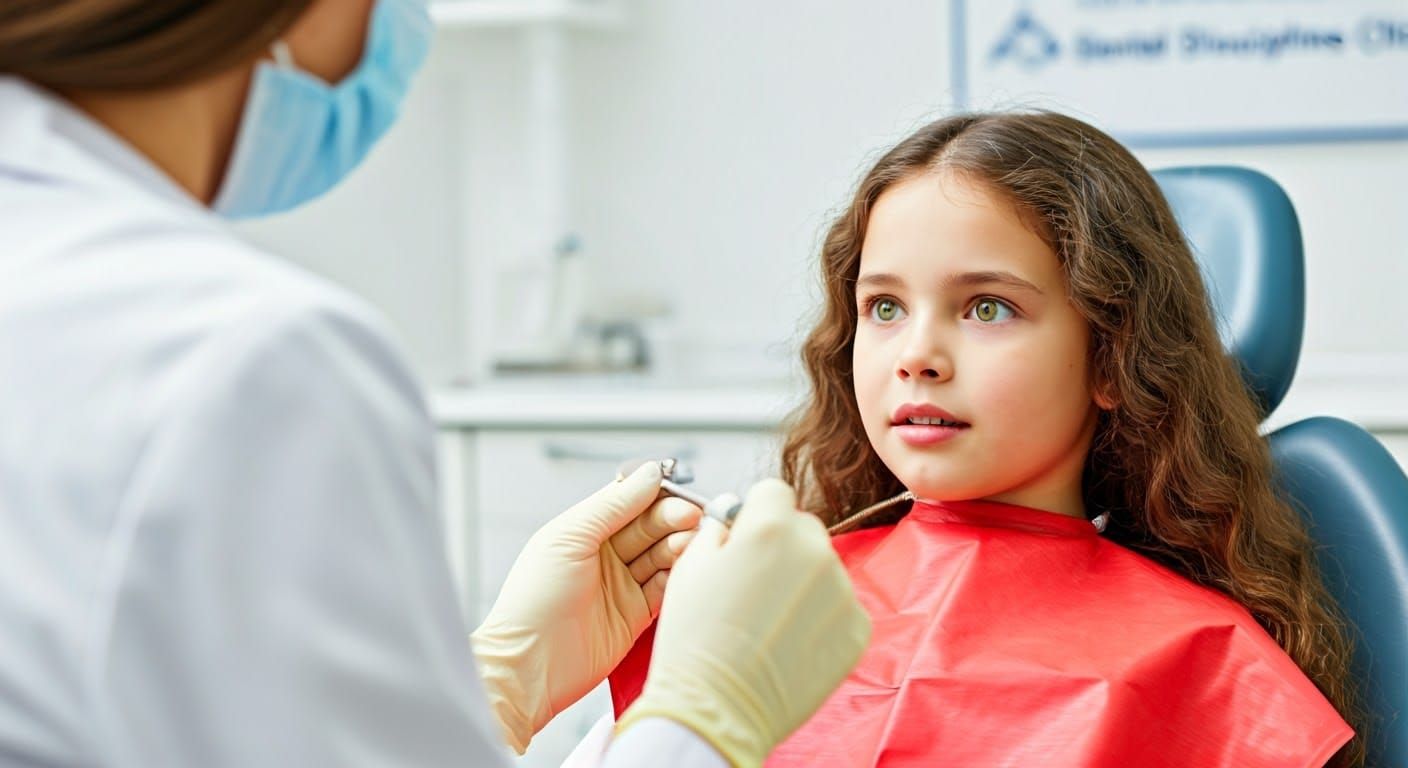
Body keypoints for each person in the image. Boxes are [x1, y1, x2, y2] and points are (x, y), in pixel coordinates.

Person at [0, 1, 870, 766]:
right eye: (882, 306)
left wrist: (502, 681)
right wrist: (705, 717)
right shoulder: (243, 356)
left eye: (987, 307)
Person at [609, 111, 1364, 766]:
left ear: (1111, 355)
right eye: (883, 308)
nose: (916, 355)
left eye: (988, 308)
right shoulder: (756, 604)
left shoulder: (1206, 662)